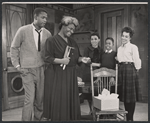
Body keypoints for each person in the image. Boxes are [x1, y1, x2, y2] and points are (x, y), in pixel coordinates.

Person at [44, 15, 90, 121]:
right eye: (70, 28)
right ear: (63, 26)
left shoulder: (72, 42)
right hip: (58, 75)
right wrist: (61, 61)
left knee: (71, 99)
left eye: (73, 29)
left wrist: (82, 59)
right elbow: (47, 58)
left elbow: (76, 57)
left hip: (71, 75)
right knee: (60, 99)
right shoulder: (51, 40)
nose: (72, 31)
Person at [10, 8, 52, 121]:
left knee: (40, 99)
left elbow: (49, 52)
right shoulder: (23, 30)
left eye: (46, 18)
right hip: (27, 70)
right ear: (35, 17)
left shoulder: (47, 33)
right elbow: (14, 48)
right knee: (29, 99)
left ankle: (37, 119)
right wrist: (17, 66)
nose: (45, 20)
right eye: (43, 17)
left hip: (41, 69)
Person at [117, 27, 142, 121]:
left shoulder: (133, 47)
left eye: (126, 37)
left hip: (130, 70)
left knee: (131, 97)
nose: (123, 38)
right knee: (125, 96)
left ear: (130, 38)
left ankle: (130, 118)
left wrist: (136, 71)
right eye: (122, 36)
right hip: (121, 70)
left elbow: (137, 60)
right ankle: (128, 117)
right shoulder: (119, 48)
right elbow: (120, 59)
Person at [80, 32, 104, 114]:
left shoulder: (101, 50)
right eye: (92, 39)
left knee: (98, 91)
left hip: (99, 73)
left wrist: (98, 66)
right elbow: (86, 61)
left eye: (95, 39)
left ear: (99, 40)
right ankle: (91, 110)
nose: (94, 41)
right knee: (89, 92)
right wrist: (97, 64)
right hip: (88, 72)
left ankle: (97, 110)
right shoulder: (87, 49)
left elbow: (103, 62)